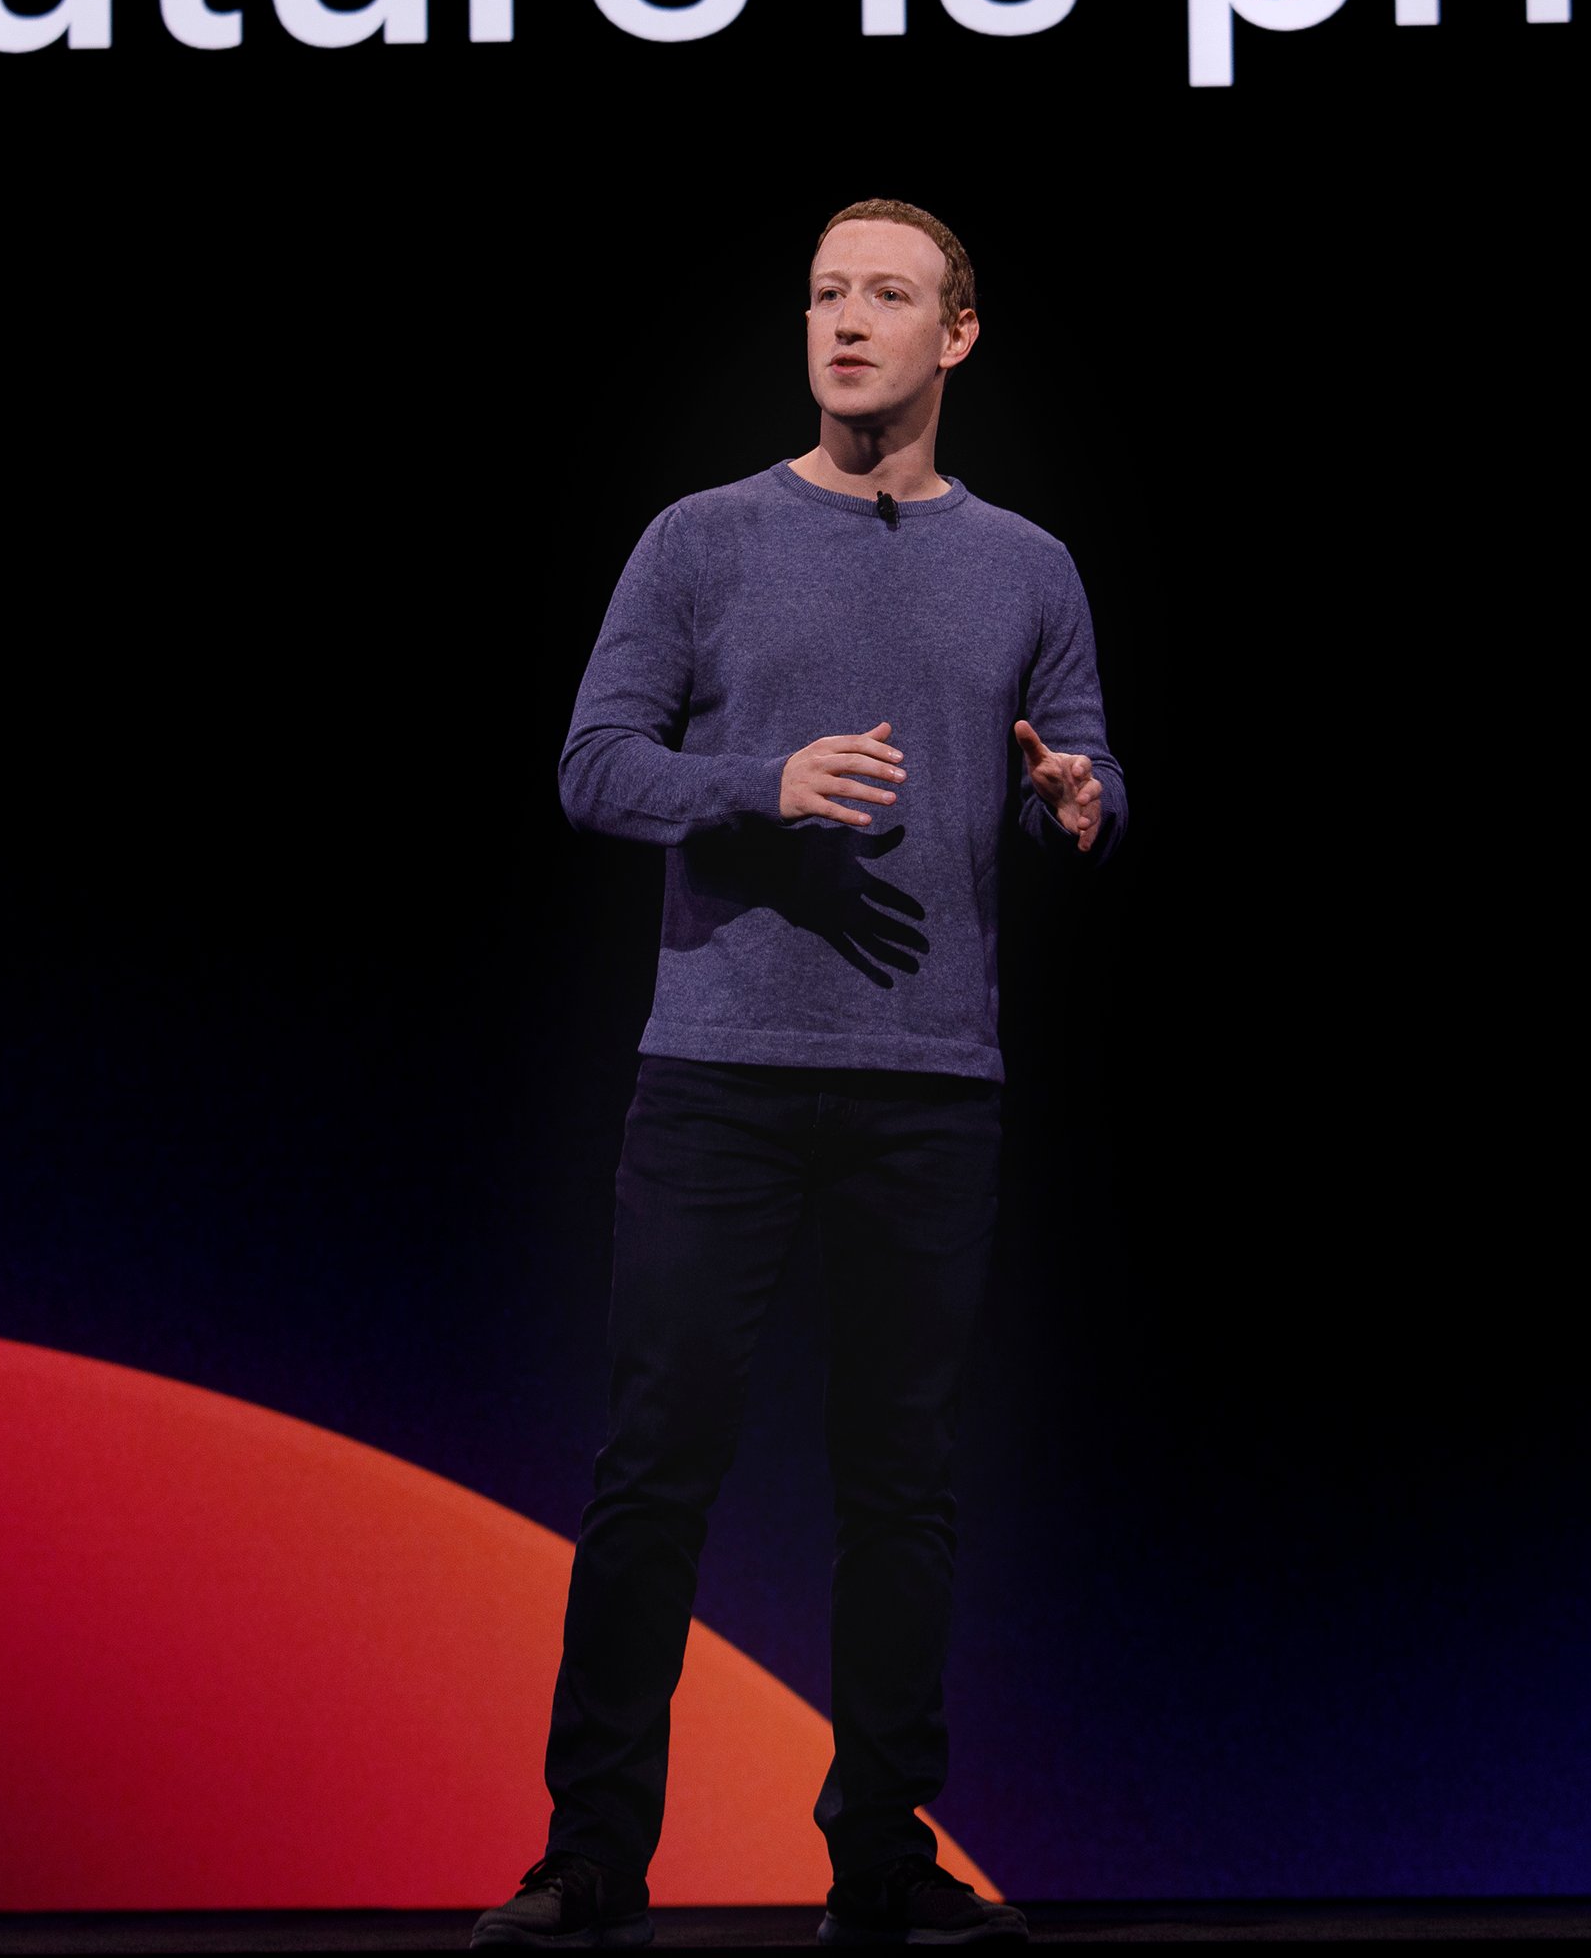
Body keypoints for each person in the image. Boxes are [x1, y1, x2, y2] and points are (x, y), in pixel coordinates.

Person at [473, 201, 1124, 1951]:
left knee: (899, 1482)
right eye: (828, 294)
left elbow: (1091, 752)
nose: (847, 322)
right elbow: (594, 763)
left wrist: (1082, 799)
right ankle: (590, 1855)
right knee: (656, 1466)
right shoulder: (703, 539)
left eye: (888, 296)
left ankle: (880, 1864)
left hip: (931, 1082)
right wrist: (761, 779)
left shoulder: (1026, 564)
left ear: (957, 337)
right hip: (718, 1076)